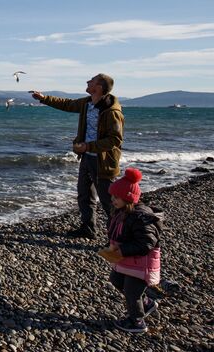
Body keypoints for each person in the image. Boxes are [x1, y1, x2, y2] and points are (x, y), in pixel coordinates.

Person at [31, 74, 124, 239]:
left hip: (103, 162)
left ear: (99, 87)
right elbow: (67, 104)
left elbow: (115, 140)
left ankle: (120, 237)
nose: (88, 82)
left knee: (108, 200)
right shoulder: (87, 103)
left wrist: (88, 146)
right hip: (86, 157)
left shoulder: (112, 111)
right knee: (84, 194)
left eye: (92, 81)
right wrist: (44, 98)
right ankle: (88, 229)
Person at [97, 168, 163, 333]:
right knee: (116, 279)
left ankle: (137, 321)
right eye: (112, 196)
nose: (112, 200)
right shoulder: (120, 213)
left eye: (116, 197)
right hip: (127, 260)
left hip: (141, 263)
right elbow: (117, 234)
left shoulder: (141, 217)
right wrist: (111, 247)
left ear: (128, 198)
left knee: (131, 292)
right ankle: (146, 303)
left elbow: (146, 243)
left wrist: (122, 250)